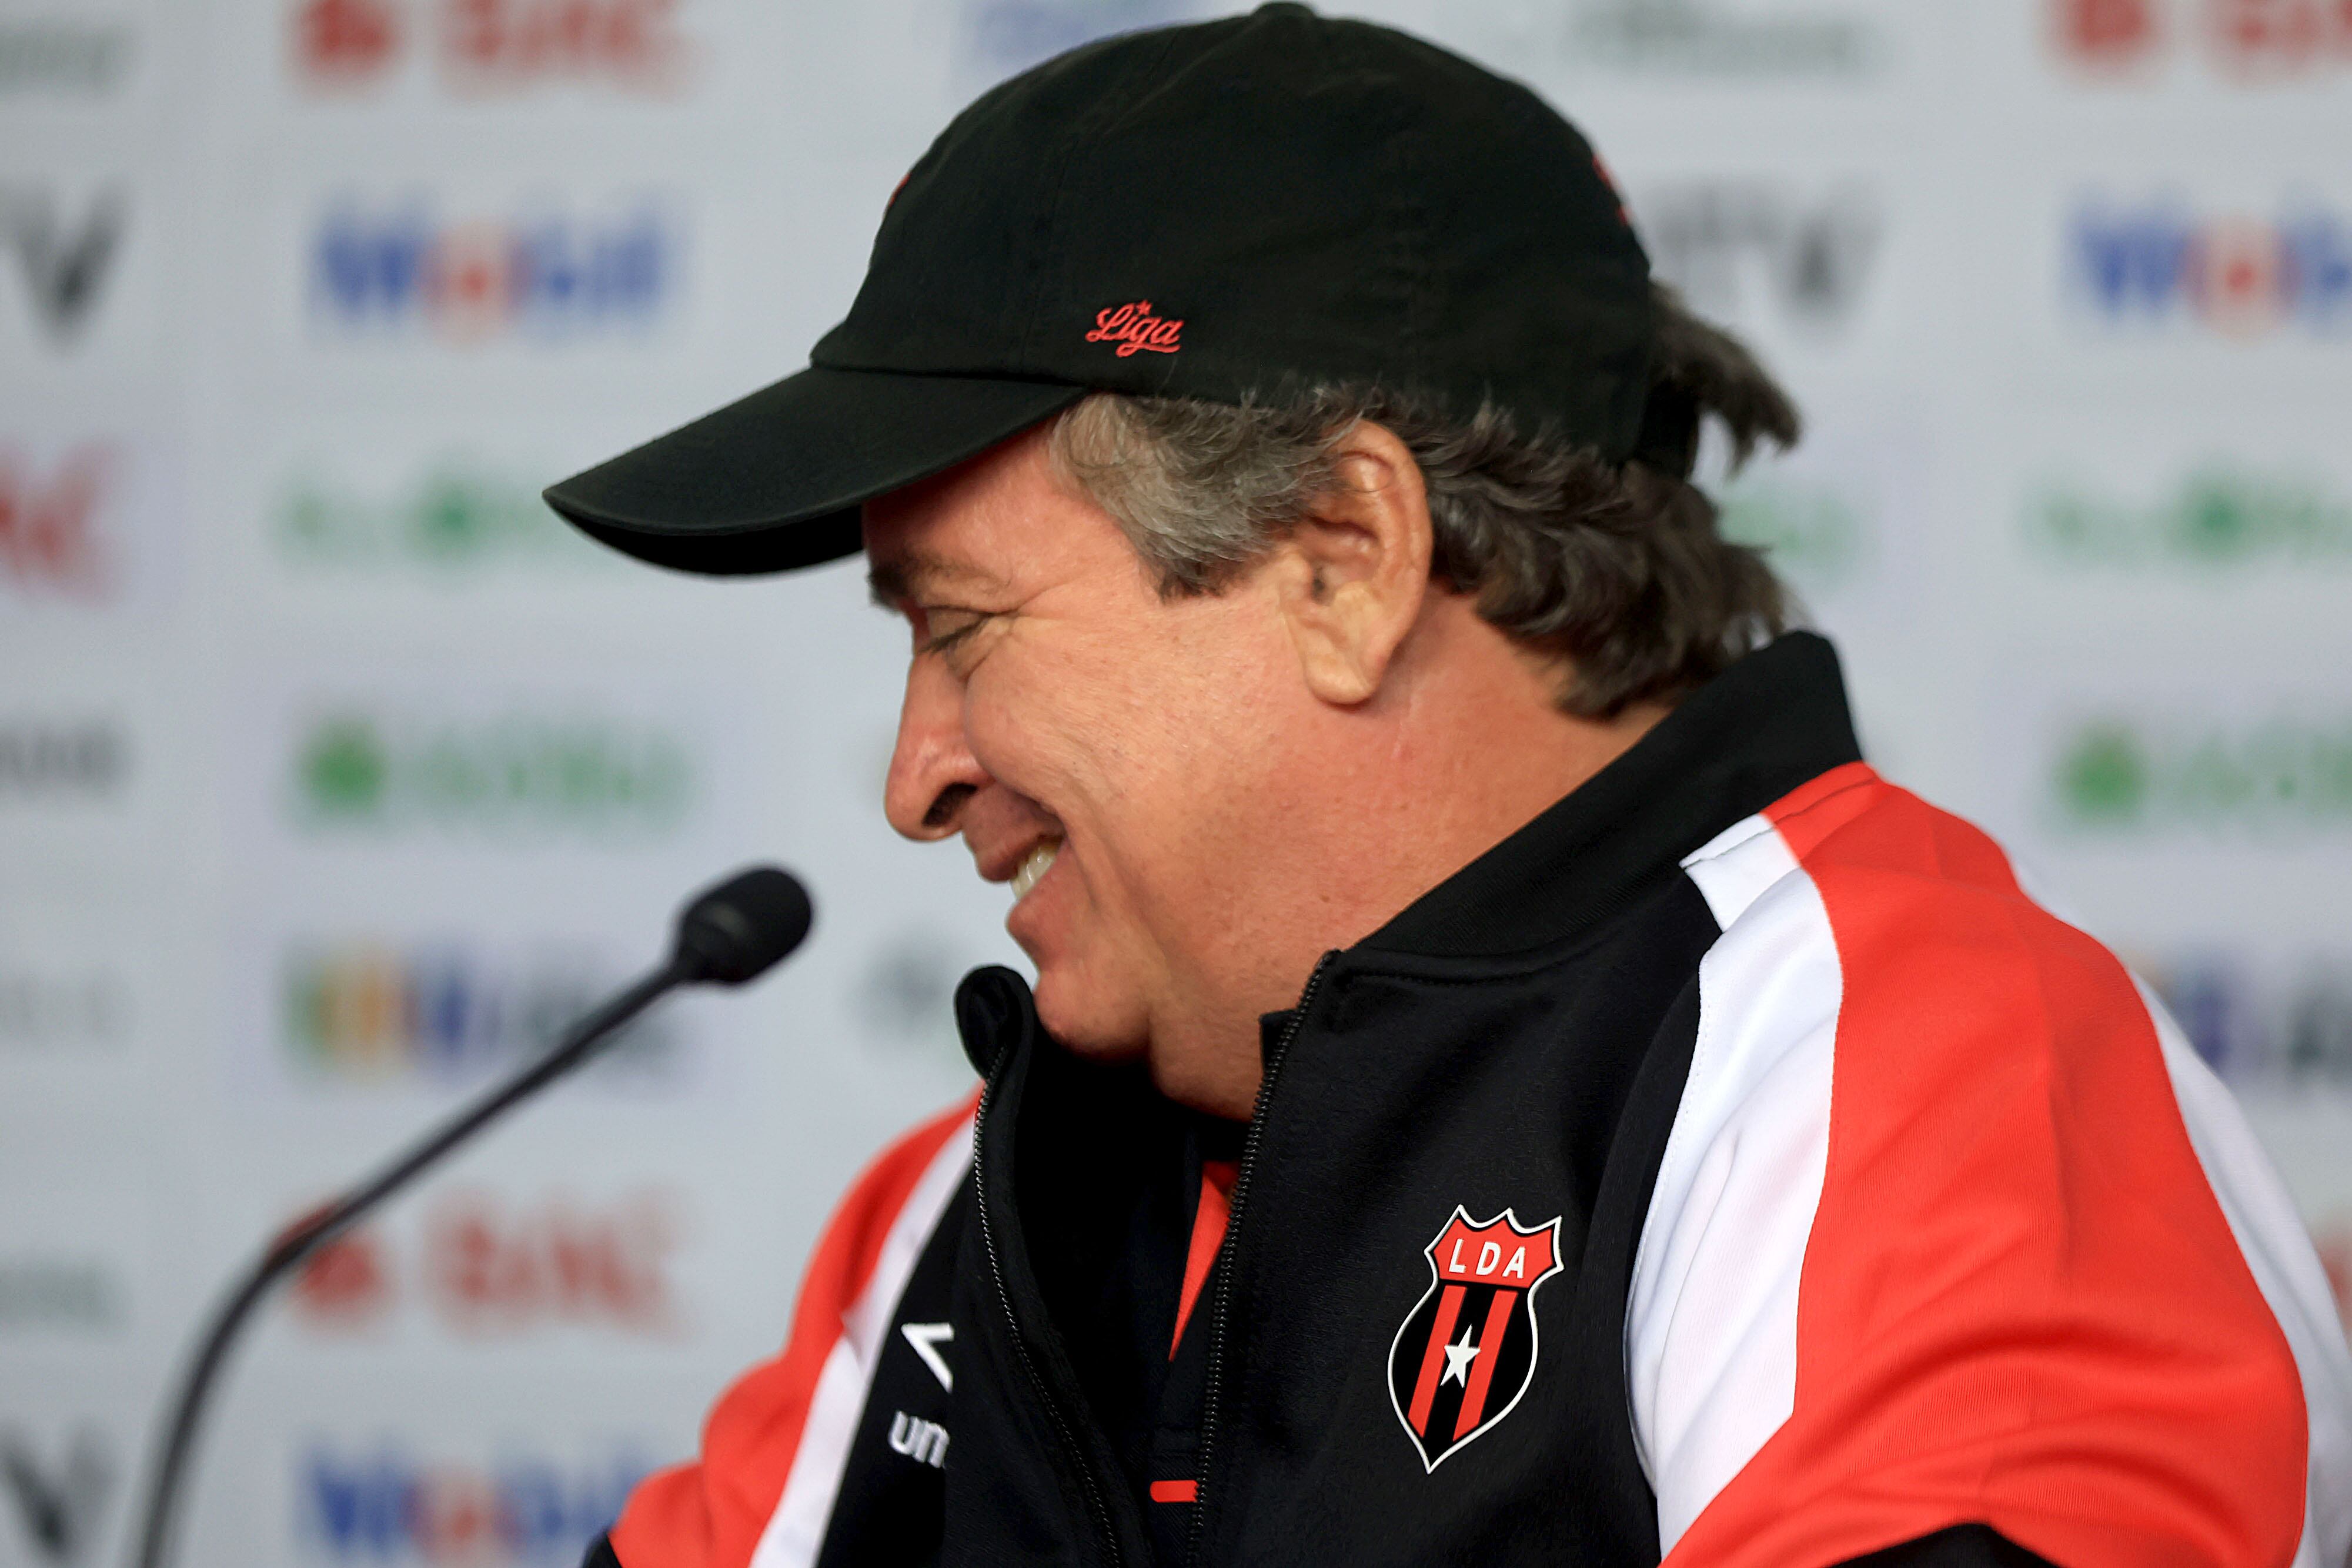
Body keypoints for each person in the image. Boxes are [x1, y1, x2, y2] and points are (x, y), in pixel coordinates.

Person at [544, 7, 2352, 1566]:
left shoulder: (1913, 1086)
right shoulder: (980, 1199)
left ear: (1344, 556)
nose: (919, 776)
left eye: (966, 627)